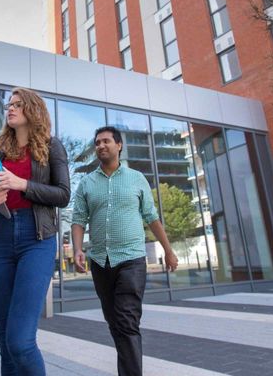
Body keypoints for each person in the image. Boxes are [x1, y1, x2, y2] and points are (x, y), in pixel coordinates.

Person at [0, 87, 70, 375]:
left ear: (33, 110)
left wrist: (20, 184)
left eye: (18, 105)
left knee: (20, 341)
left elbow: (63, 195)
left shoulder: (51, 145)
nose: (10, 109)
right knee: (5, 344)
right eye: (9, 105)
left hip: (36, 239)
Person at [71, 126, 178, 376]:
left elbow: (151, 217)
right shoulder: (87, 183)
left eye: (106, 141)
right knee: (115, 322)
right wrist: (77, 249)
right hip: (100, 261)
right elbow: (78, 220)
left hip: (131, 259)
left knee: (127, 320)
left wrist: (169, 250)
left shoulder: (136, 178)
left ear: (119, 146)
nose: (101, 146)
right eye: (97, 142)